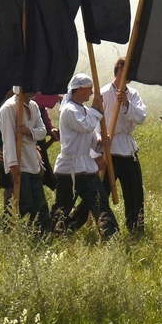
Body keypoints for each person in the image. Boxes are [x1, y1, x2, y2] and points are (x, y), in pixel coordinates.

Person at [53, 73, 118, 240]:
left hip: (85, 167)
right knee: (63, 206)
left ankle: (111, 237)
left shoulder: (85, 110)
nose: (91, 94)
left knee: (99, 201)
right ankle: (53, 234)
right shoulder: (69, 110)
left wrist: (101, 142)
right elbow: (85, 125)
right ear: (79, 89)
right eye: (89, 90)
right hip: (69, 168)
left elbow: (90, 137)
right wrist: (97, 110)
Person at [102, 58, 148, 234]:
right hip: (108, 149)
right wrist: (99, 146)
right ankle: (101, 226)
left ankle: (135, 227)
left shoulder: (133, 94)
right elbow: (96, 120)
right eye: (126, 70)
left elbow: (141, 117)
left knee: (134, 192)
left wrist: (127, 103)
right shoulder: (104, 92)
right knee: (100, 192)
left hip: (127, 150)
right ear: (119, 70)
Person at [0, 85, 50, 230]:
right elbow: (8, 140)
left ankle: (42, 235)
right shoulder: (8, 108)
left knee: (39, 204)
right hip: (19, 163)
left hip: (32, 161)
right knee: (24, 205)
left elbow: (42, 131)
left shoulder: (33, 106)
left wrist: (28, 131)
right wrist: (13, 165)